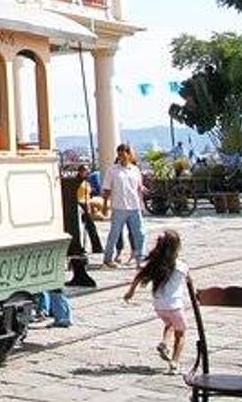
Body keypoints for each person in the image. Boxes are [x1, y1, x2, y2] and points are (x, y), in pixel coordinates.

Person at [123, 230, 190, 374]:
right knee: (181, 334)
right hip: (175, 306)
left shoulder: (155, 264)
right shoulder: (182, 266)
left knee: (169, 324)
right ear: (177, 247)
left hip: (159, 306)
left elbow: (138, 277)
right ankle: (175, 363)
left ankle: (164, 342)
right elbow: (190, 282)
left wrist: (130, 292)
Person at [101, 143, 145, 269]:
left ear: (129, 155)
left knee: (139, 233)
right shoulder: (113, 170)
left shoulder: (135, 170)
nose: (121, 157)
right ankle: (108, 258)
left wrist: (141, 205)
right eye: (119, 155)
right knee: (114, 234)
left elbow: (138, 189)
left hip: (134, 206)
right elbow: (107, 189)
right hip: (119, 207)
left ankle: (140, 258)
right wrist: (105, 205)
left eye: (123, 154)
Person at [75, 165, 104, 254]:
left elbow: (89, 192)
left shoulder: (86, 181)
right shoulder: (76, 182)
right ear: (80, 171)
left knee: (91, 227)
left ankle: (97, 247)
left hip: (86, 205)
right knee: (82, 228)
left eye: (87, 171)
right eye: (85, 171)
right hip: (80, 205)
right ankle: (82, 247)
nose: (87, 172)